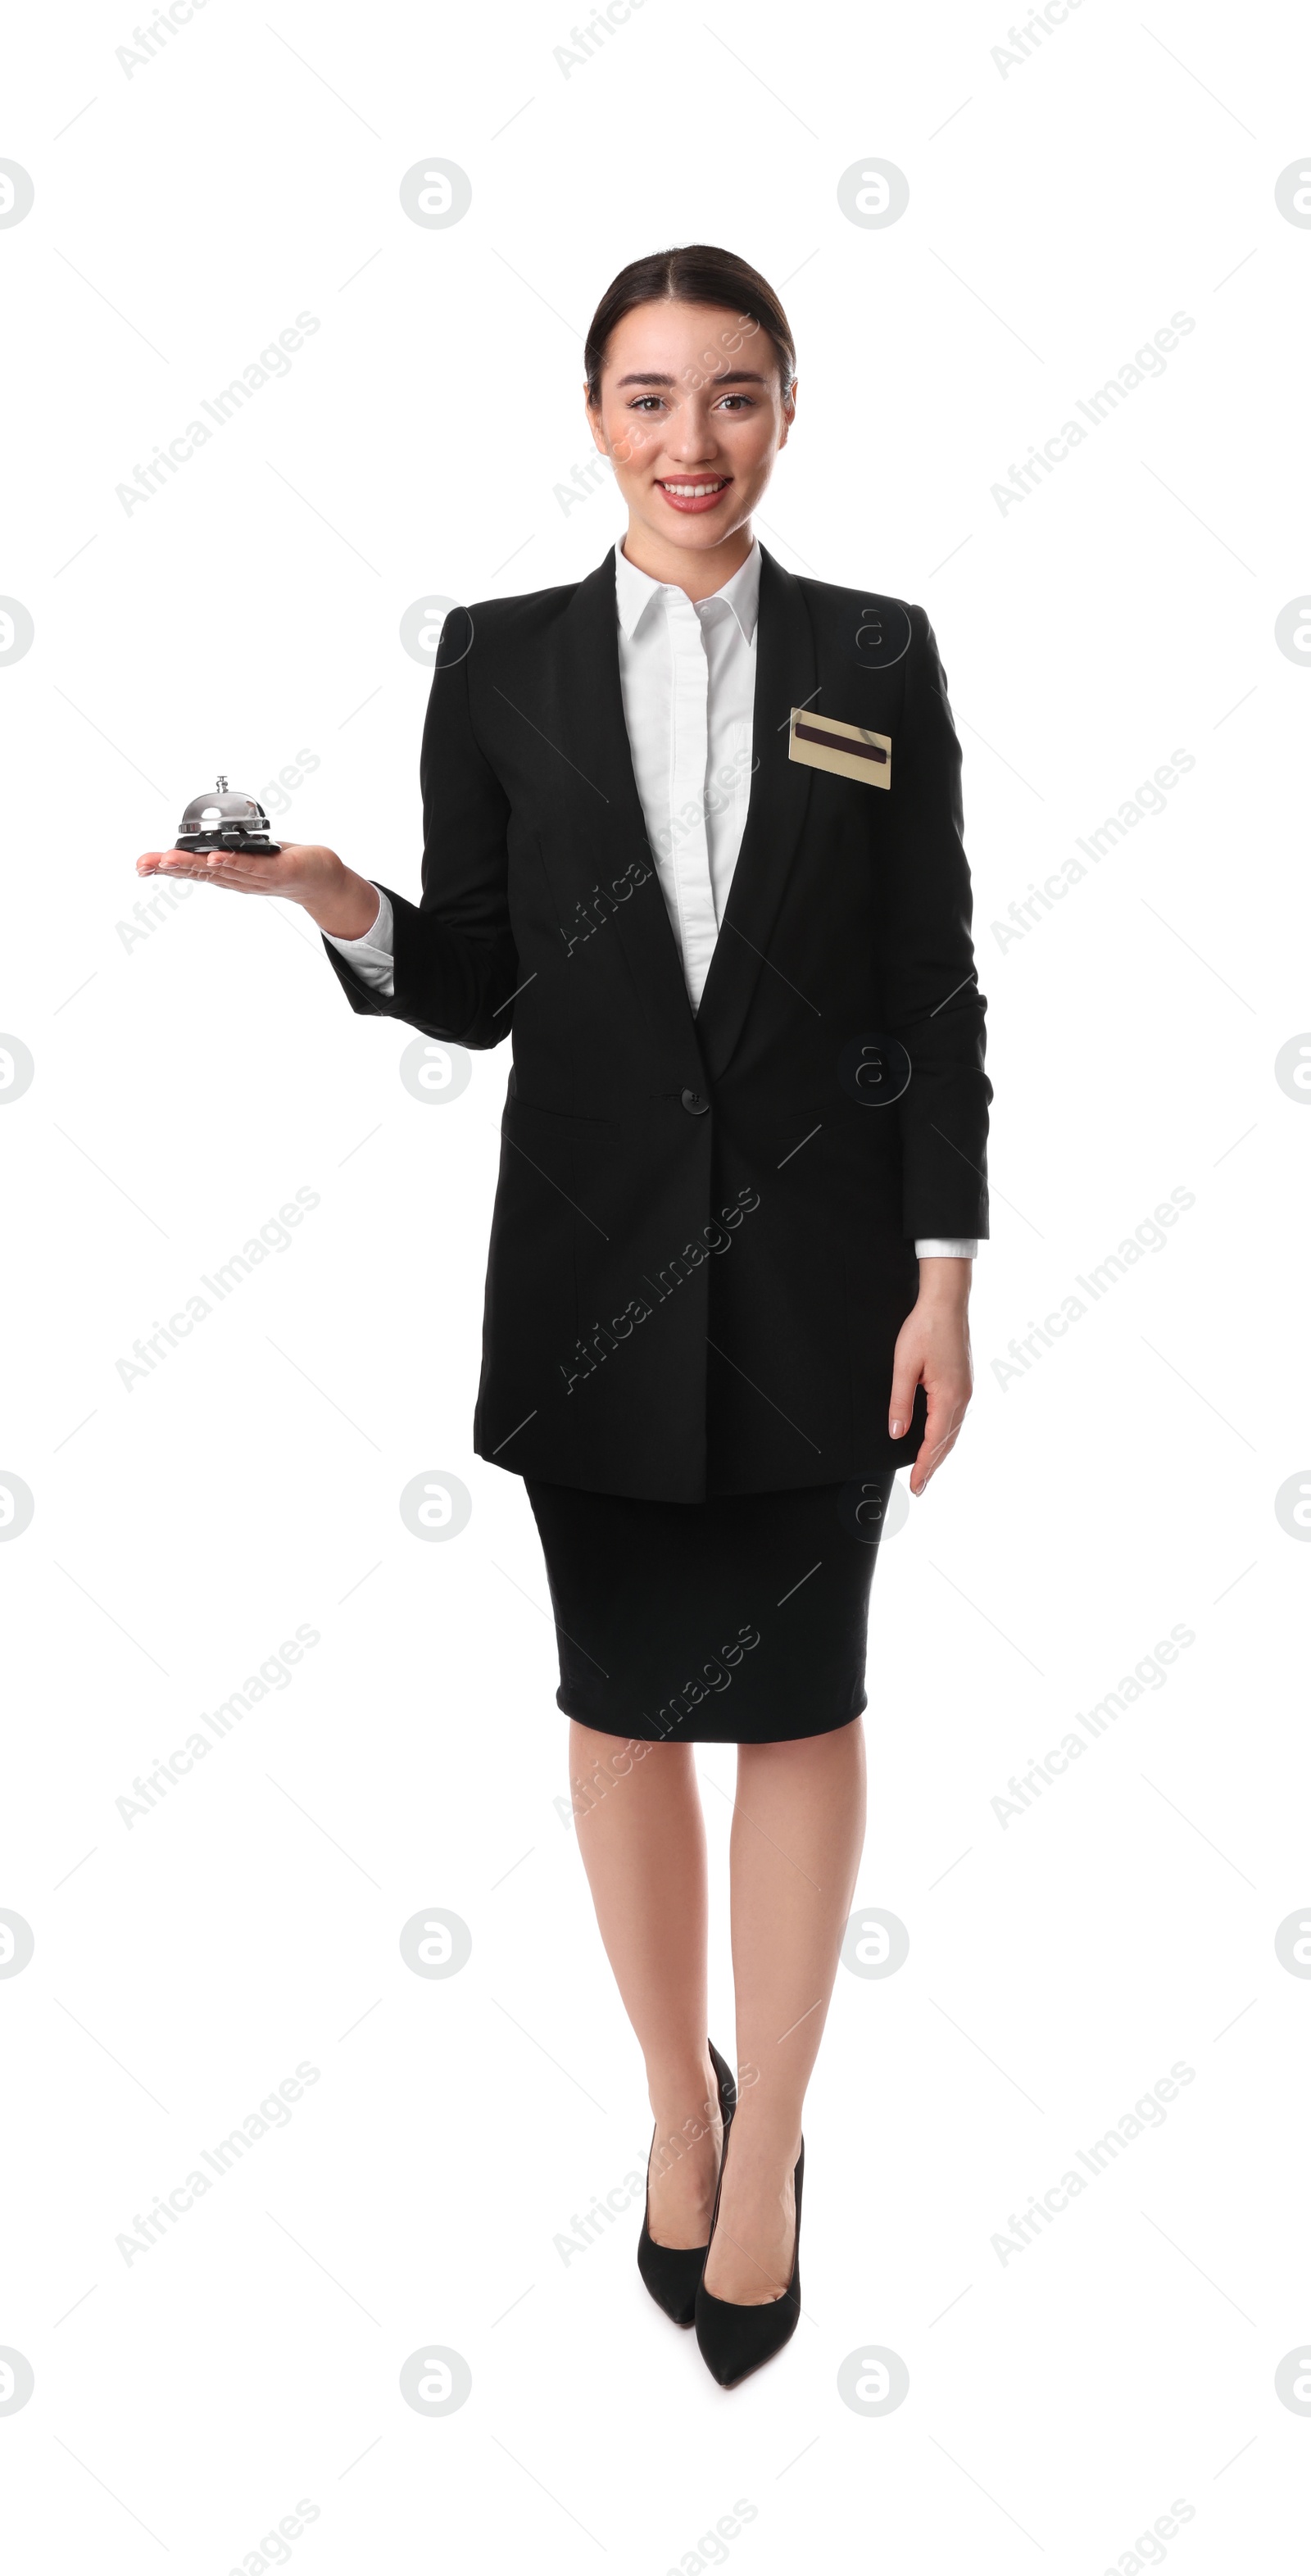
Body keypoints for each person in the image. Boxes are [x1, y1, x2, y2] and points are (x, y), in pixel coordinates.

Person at [137, 243, 991, 2389]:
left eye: (732, 396)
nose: (690, 440)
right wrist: (335, 903)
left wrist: (945, 1277)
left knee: (798, 1707)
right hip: (596, 1290)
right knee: (620, 1715)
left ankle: (773, 2145)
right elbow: (489, 987)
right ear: (591, 416)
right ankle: (671, 2107)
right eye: (647, 397)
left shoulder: (878, 654)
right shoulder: (503, 664)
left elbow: (932, 991)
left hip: (822, 1286)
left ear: (789, 412)